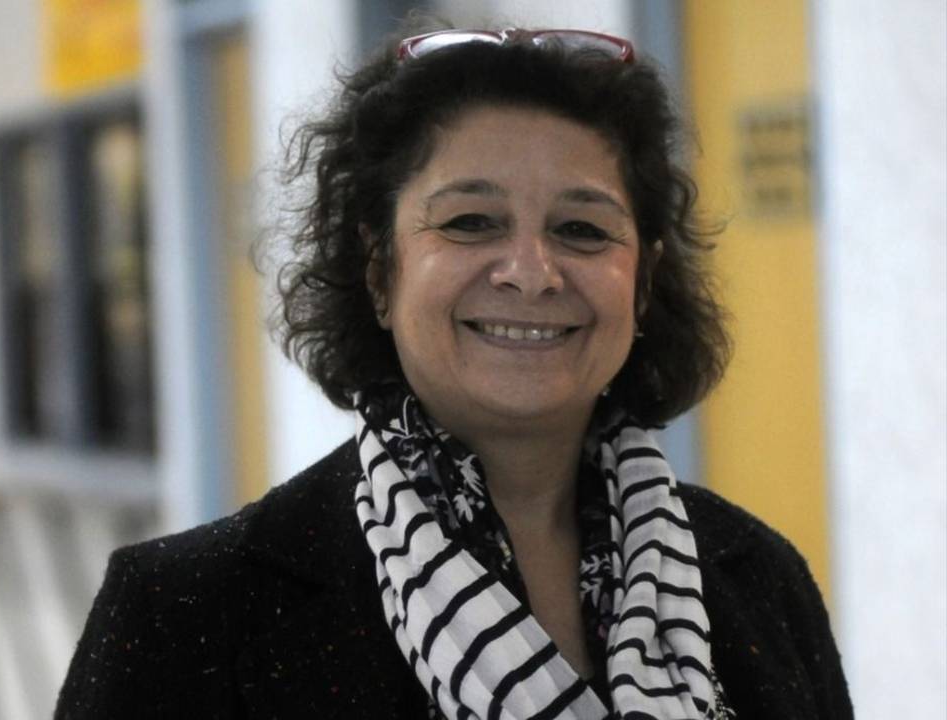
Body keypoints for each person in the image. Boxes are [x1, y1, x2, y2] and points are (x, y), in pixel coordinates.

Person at [55, 24, 852, 719]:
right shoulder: (188, 614)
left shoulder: (759, 579)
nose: (531, 273)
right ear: (379, 271)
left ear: (642, 282)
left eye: (582, 229)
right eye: (471, 221)